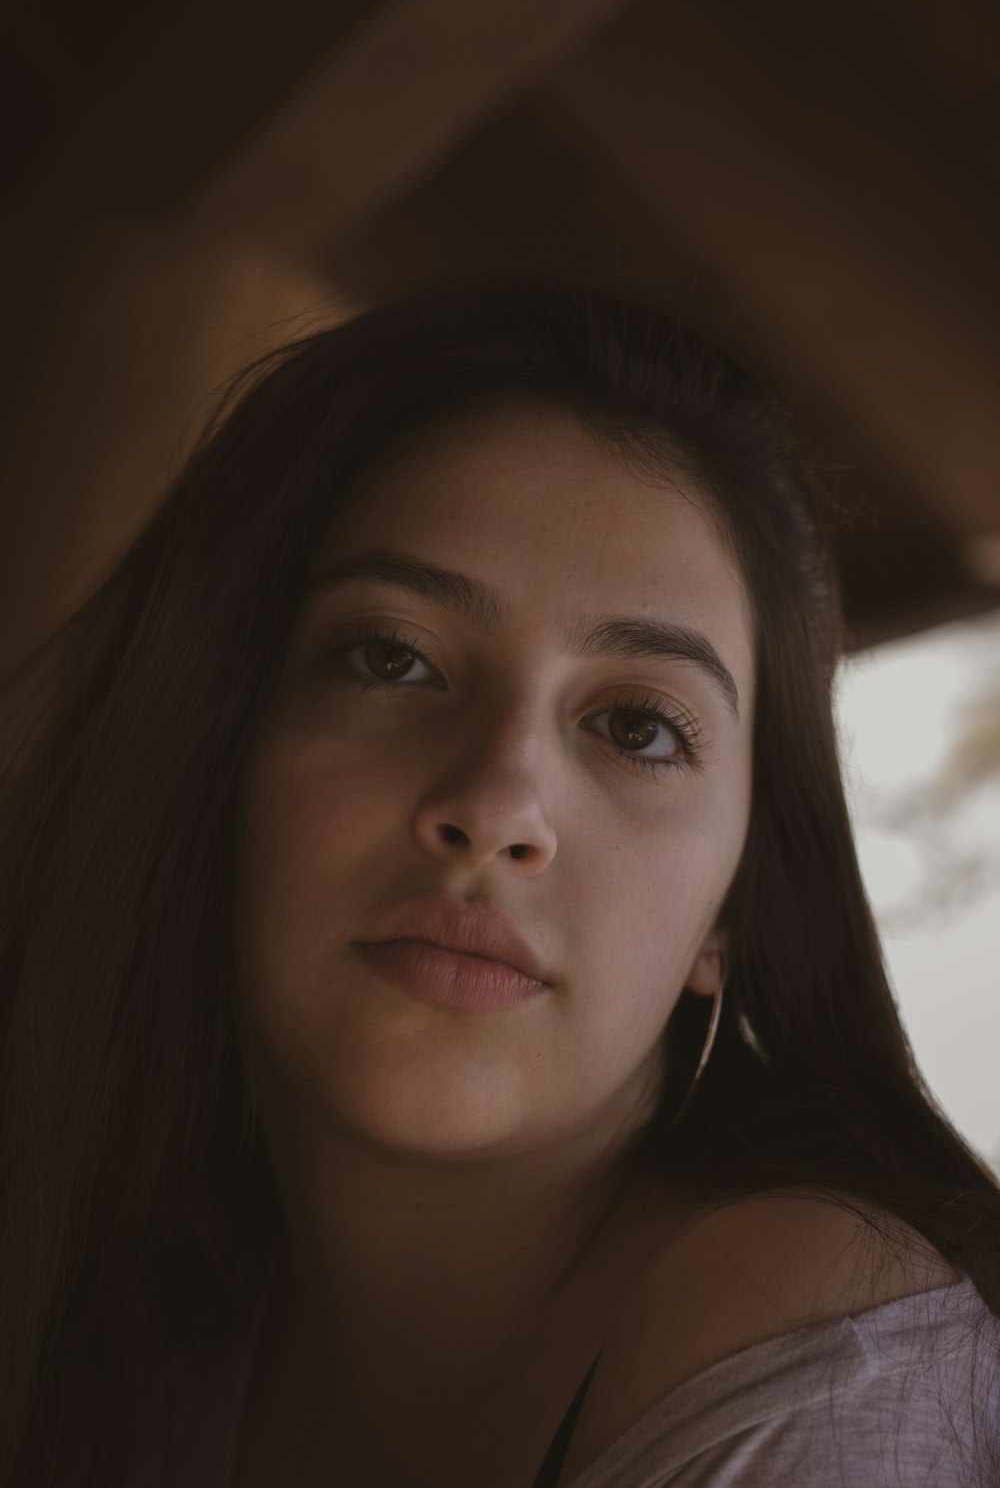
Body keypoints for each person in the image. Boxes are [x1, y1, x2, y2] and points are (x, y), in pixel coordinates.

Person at [1, 271, 998, 1488]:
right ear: (215, 743)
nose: (495, 807)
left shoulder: (814, 1344)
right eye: (392, 657)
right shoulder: (110, 1320)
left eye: (636, 728)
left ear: (729, 917)